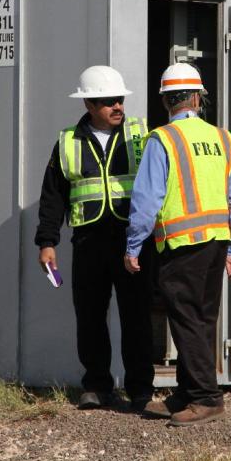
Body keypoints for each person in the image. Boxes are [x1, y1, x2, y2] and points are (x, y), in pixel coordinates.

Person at [124, 62, 231, 427]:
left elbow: (146, 200)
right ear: (197, 96)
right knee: (203, 318)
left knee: (187, 319)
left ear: (166, 101)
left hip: (182, 244)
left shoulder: (163, 139)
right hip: (217, 243)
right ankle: (187, 392)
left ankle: (207, 398)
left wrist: (133, 246)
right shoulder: (222, 138)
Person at [35, 65, 154, 411]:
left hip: (133, 242)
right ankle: (97, 386)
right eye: (108, 102)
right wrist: (47, 242)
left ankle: (140, 389)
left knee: (137, 316)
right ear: (89, 104)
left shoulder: (141, 135)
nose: (118, 106)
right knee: (89, 316)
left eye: (120, 100)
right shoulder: (68, 142)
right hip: (88, 244)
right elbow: (53, 196)